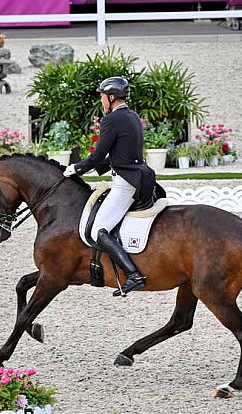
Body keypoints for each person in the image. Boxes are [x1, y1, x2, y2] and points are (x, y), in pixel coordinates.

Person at [63, 76, 156, 296]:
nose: (102, 101)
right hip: (139, 177)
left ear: (111, 97)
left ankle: (133, 274)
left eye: (103, 97)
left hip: (126, 183)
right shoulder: (132, 116)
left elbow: (97, 156)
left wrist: (76, 168)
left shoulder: (112, 120)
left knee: (98, 230)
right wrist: (94, 166)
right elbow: (121, 154)